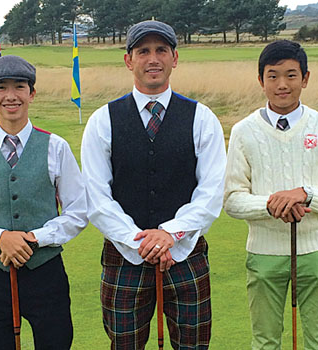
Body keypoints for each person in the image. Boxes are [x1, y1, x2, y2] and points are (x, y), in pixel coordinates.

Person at [81, 20, 226, 350]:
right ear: (128, 60)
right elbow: (97, 196)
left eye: (161, 50)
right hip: (124, 256)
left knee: (193, 345)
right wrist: (141, 241)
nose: (153, 59)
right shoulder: (102, 120)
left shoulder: (202, 118)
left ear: (175, 58)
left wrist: (170, 234)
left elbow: (211, 191)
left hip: (185, 253)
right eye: (143, 51)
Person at [0, 55, 88, 350]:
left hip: (46, 274)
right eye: (1, 88)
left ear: (32, 94)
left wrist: (34, 238)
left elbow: (78, 212)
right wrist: (1, 238)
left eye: (19, 87)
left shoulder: (56, 147)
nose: (10, 96)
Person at [223, 40, 318, 350]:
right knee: (265, 343)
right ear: (261, 80)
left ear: (305, 79)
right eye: (273, 75)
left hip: (317, 252)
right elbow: (231, 199)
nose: (282, 84)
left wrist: (305, 195)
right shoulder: (243, 131)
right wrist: (272, 204)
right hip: (264, 254)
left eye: (291, 75)